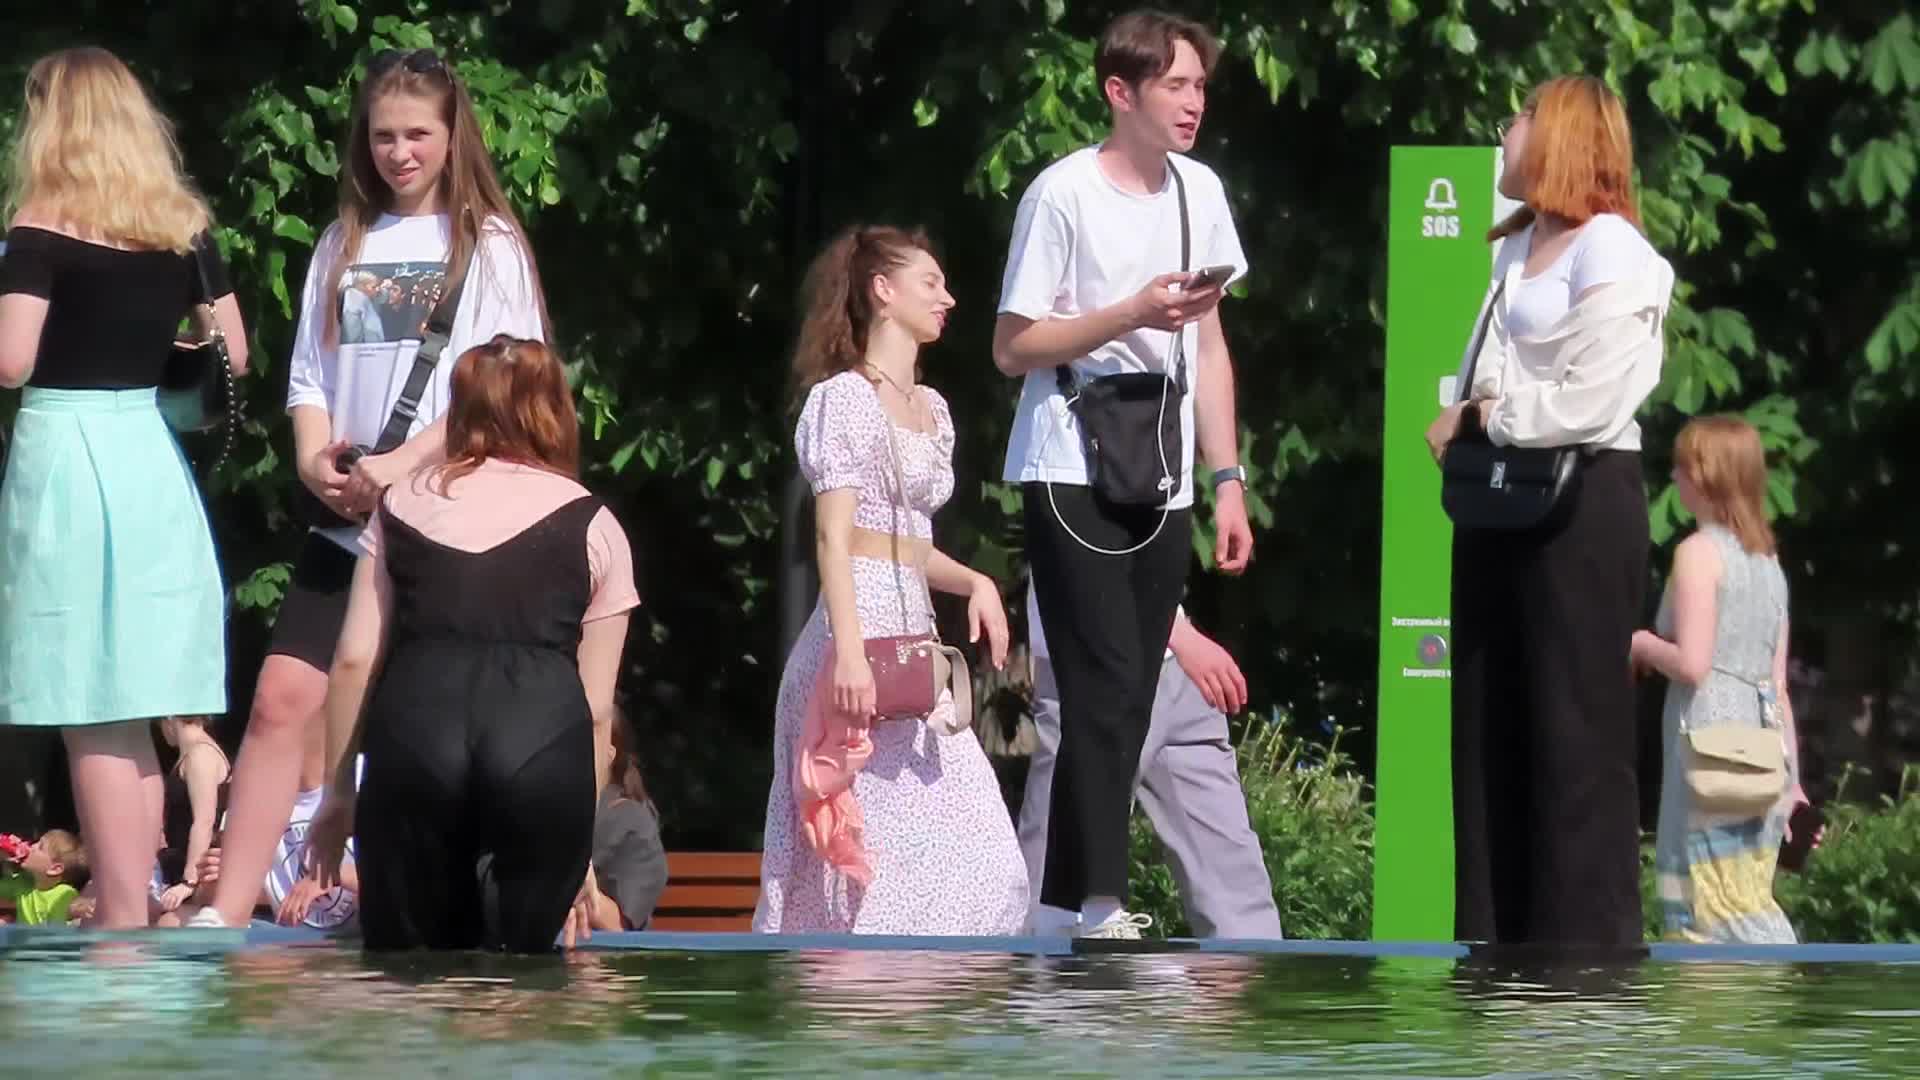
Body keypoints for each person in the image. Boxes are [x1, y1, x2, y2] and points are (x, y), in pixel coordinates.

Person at [192, 48, 548, 930]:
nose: (400, 153)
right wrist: (315, 459)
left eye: (417, 134)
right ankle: (225, 914)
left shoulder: (489, 248)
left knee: (433, 722)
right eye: (384, 136)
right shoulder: (342, 242)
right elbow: (310, 378)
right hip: (346, 519)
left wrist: (399, 465)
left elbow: (500, 387)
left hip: (449, 518)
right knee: (280, 699)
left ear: (452, 134)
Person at [991, 10, 1253, 939]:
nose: (1193, 102)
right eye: (1175, 85)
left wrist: (1228, 480)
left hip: (1164, 471)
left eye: (1199, 86)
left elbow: (1211, 347)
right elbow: (1013, 346)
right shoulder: (1063, 195)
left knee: (1132, 689)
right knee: (1099, 682)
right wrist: (1130, 312)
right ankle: (1100, 903)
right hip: (1070, 460)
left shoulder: (1200, 192)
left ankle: (1060, 907)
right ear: (1120, 92)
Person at [0, 47, 250, 930]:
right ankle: (132, 910)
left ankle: (117, 924)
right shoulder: (182, 226)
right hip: (149, 452)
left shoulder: (39, 226)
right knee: (137, 702)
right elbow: (233, 353)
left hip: (66, 451)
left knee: (87, 704)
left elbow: (11, 359)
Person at [1427, 75, 1676, 945]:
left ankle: (1586, 960)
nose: (1505, 135)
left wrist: (1482, 419)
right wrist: (1484, 411)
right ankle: (1497, 952)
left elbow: (1593, 401)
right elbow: (1493, 371)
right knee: (1488, 729)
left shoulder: (1614, 250)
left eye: (1517, 120)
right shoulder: (1518, 246)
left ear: (1559, 134)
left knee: (1576, 738)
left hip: (1582, 507)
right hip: (1499, 504)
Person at [305, 335, 637, 953]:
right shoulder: (597, 525)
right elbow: (595, 713)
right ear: (554, 410)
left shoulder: (400, 506)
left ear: (459, 409)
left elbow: (353, 660)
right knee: (525, 978)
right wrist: (579, 841)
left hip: (415, 733)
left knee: (406, 973)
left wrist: (337, 793)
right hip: (542, 743)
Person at [753, 225, 1027, 936]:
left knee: (988, 857)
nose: (948, 298)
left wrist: (974, 582)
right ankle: (859, 990)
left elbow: (907, 544)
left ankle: (904, 986)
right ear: (883, 291)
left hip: (910, 647)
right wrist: (847, 652)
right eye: (930, 283)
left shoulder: (931, 409)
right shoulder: (845, 399)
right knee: (866, 860)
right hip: (856, 638)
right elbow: (836, 537)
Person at [1019, 585, 1282, 938]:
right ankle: (1038, 968)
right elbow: (1085, 561)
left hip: (1177, 672)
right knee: (1056, 897)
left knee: (1237, 892)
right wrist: (1178, 635)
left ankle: (1253, 972)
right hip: (1092, 671)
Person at [1633, 416, 1804, 943]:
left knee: (1696, 902)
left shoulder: (1698, 553)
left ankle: (1739, 997)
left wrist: (1638, 644)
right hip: (1763, 752)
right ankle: (1771, 988)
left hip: (1706, 745)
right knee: (1746, 896)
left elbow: (1692, 663)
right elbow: (1778, 684)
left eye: (1682, 467)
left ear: (1707, 475)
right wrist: (1792, 777)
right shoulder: (1767, 563)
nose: (1674, 477)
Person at [582, 704, 668, 931]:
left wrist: (578, 891)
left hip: (595, 950)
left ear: (609, 753)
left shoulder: (633, 826)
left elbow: (620, 927)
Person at [151, 716, 232, 916]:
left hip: (198, 874)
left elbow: (204, 821)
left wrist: (190, 881)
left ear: (169, 718)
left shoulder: (201, 754)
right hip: (177, 865)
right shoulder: (191, 754)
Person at [0, 829, 87, 925]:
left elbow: (70, 913)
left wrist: (75, 910)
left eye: (40, 847)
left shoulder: (64, 894)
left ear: (54, 869)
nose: (32, 846)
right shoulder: (23, 882)